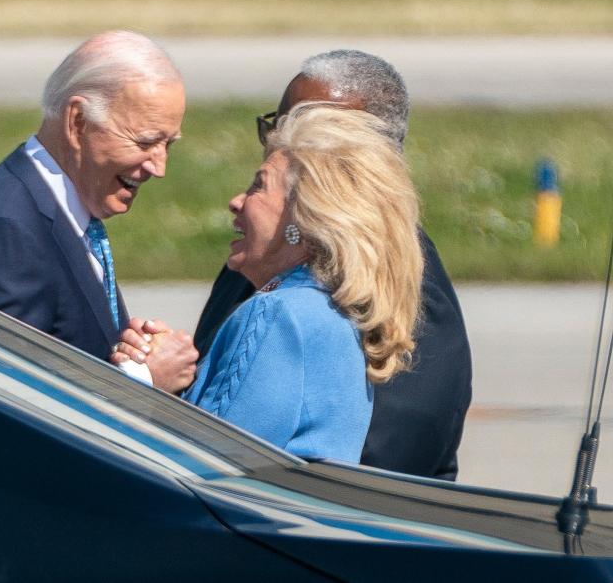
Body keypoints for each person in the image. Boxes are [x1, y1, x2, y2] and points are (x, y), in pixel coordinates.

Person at [192, 50, 472, 479]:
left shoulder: (389, 289)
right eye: (279, 123)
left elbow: (389, 460)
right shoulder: (271, 271)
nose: (280, 140)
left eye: (307, 125)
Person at [119, 105, 423, 461]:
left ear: (306, 219)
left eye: (258, 186)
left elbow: (202, 472)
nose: (237, 202)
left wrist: (142, 383)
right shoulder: (329, 311)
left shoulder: (277, 314)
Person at [0, 31, 195, 393]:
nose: (159, 167)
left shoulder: (64, 208)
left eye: (169, 145)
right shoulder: (6, 234)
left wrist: (131, 352)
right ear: (78, 122)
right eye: (146, 142)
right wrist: (145, 381)